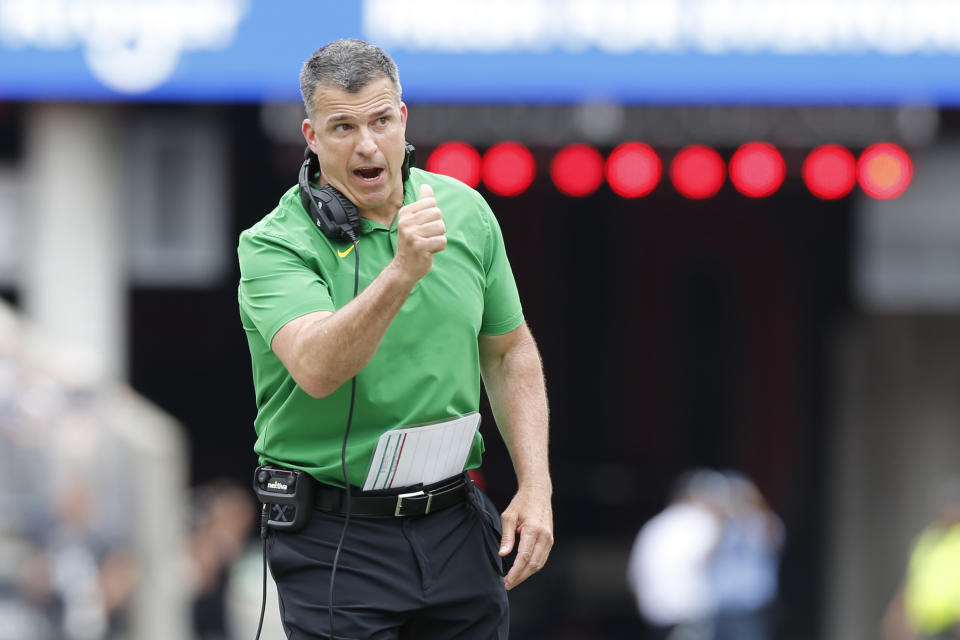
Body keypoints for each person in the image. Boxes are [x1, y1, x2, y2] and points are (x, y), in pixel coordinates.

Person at [237, 39, 552, 639]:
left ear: (402, 119)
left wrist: (536, 487)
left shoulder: (464, 211)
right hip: (336, 535)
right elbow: (317, 367)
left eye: (381, 120)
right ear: (311, 135)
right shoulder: (274, 243)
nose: (366, 144)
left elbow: (509, 352)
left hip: (456, 518)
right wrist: (402, 272)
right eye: (342, 127)